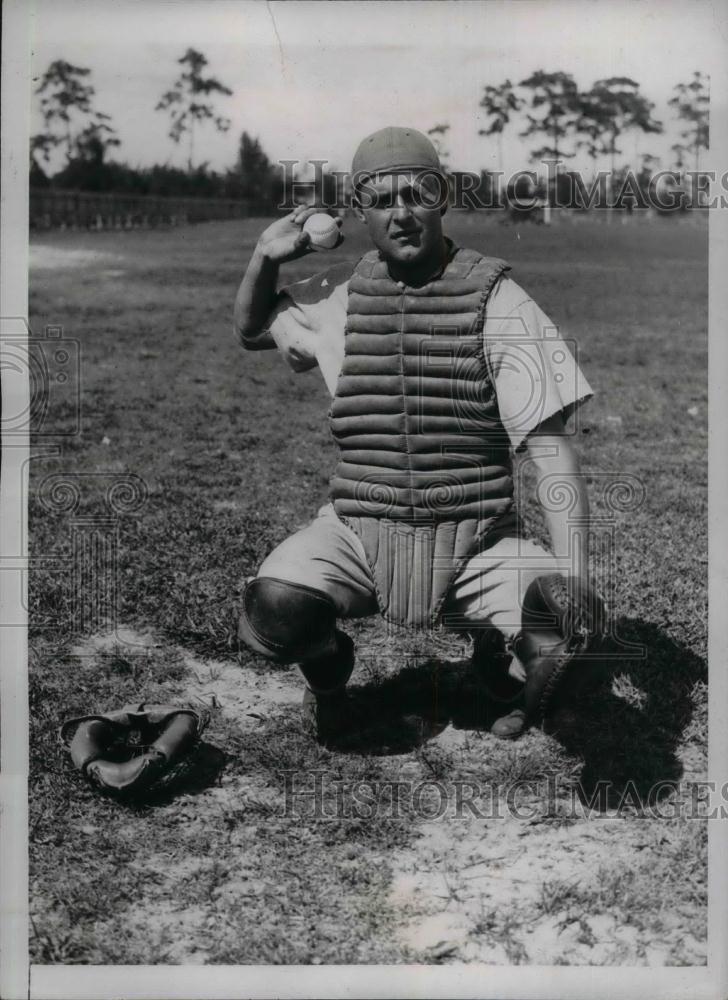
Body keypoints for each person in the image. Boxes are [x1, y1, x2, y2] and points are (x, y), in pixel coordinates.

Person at [233, 126, 603, 745]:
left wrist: (576, 584)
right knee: (275, 609)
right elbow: (251, 330)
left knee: (559, 618)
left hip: (476, 539)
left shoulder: (500, 303)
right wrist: (265, 257)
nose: (401, 213)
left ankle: (502, 664)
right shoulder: (338, 298)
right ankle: (329, 674)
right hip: (358, 528)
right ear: (359, 211)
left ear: (442, 199)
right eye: (381, 200)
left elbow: (552, 455)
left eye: (417, 194)